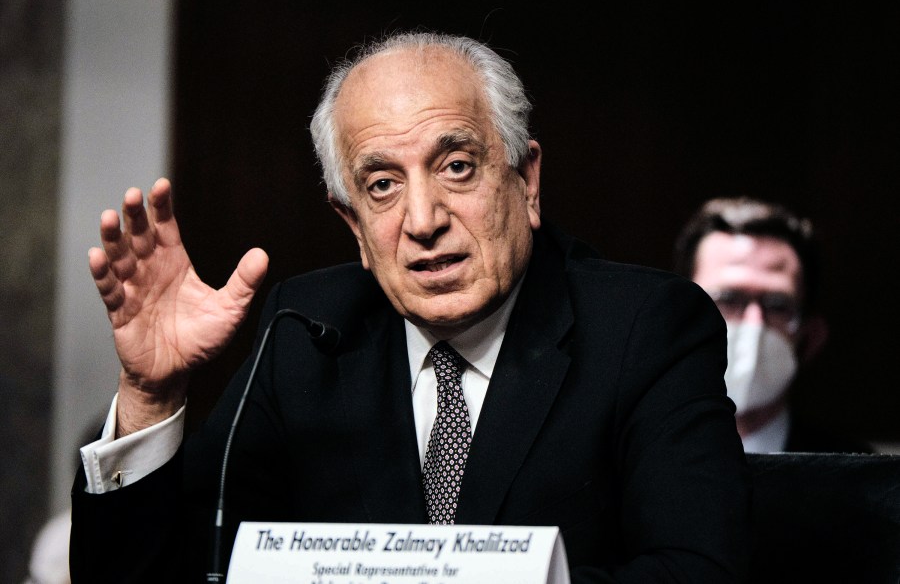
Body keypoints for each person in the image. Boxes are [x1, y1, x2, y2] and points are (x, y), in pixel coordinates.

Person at [70, 31, 751, 583]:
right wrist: (150, 395)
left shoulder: (644, 329)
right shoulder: (306, 333)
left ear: (527, 179)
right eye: (383, 184)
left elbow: (701, 568)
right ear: (354, 226)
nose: (423, 219)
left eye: (457, 166)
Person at [672, 196, 873, 454]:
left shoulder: (860, 478)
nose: (754, 324)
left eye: (778, 306)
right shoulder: (624, 466)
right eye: (728, 300)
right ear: (677, 322)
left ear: (811, 337)